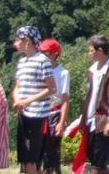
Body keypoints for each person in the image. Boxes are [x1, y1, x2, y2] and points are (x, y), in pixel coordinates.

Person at [72, 35, 109, 174]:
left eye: (91, 50)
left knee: (97, 164)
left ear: (99, 50)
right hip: (91, 120)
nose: (89, 53)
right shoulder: (92, 70)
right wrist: (84, 120)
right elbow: (91, 97)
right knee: (97, 161)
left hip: (104, 119)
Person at [12, 26, 55, 174]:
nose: (15, 43)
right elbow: (17, 86)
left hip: (38, 115)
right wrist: (17, 99)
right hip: (24, 113)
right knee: (25, 158)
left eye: (18, 39)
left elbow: (51, 88)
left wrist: (28, 100)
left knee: (31, 158)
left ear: (28, 41)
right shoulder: (22, 62)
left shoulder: (43, 61)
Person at [39, 39, 70, 174]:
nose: (41, 56)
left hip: (53, 115)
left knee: (51, 153)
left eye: (45, 53)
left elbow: (65, 100)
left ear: (54, 54)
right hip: (39, 114)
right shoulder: (39, 70)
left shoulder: (63, 73)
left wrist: (61, 122)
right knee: (37, 152)